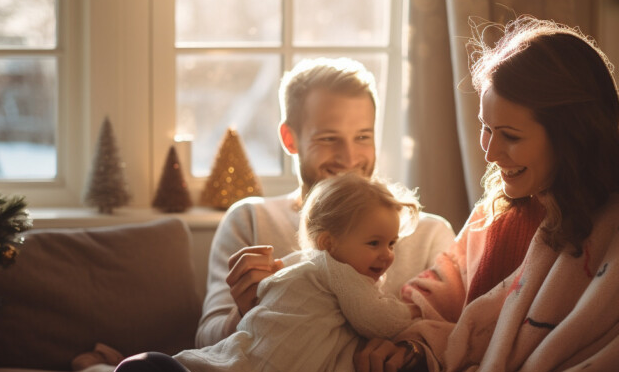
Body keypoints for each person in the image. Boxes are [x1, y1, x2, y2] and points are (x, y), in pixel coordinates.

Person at [347, 15, 619, 372]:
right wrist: (409, 351)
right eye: (485, 129)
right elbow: (436, 310)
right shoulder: (495, 213)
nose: (489, 152)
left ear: (573, 137)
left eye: (509, 135)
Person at [99, 173, 422, 372]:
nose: (388, 255)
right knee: (142, 371)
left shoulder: (307, 267)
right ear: (328, 244)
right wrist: (413, 312)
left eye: (392, 243)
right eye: (374, 243)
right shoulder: (337, 272)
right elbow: (380, 321)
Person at [195, 57, 455, 349]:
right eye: (329, 138)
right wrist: (242, 313)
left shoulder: (430, 234)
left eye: (362, 137)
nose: (348, 157)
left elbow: (456, 335)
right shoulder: (250, 221)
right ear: (289, 138)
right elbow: (206, 341)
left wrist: (408, 352)